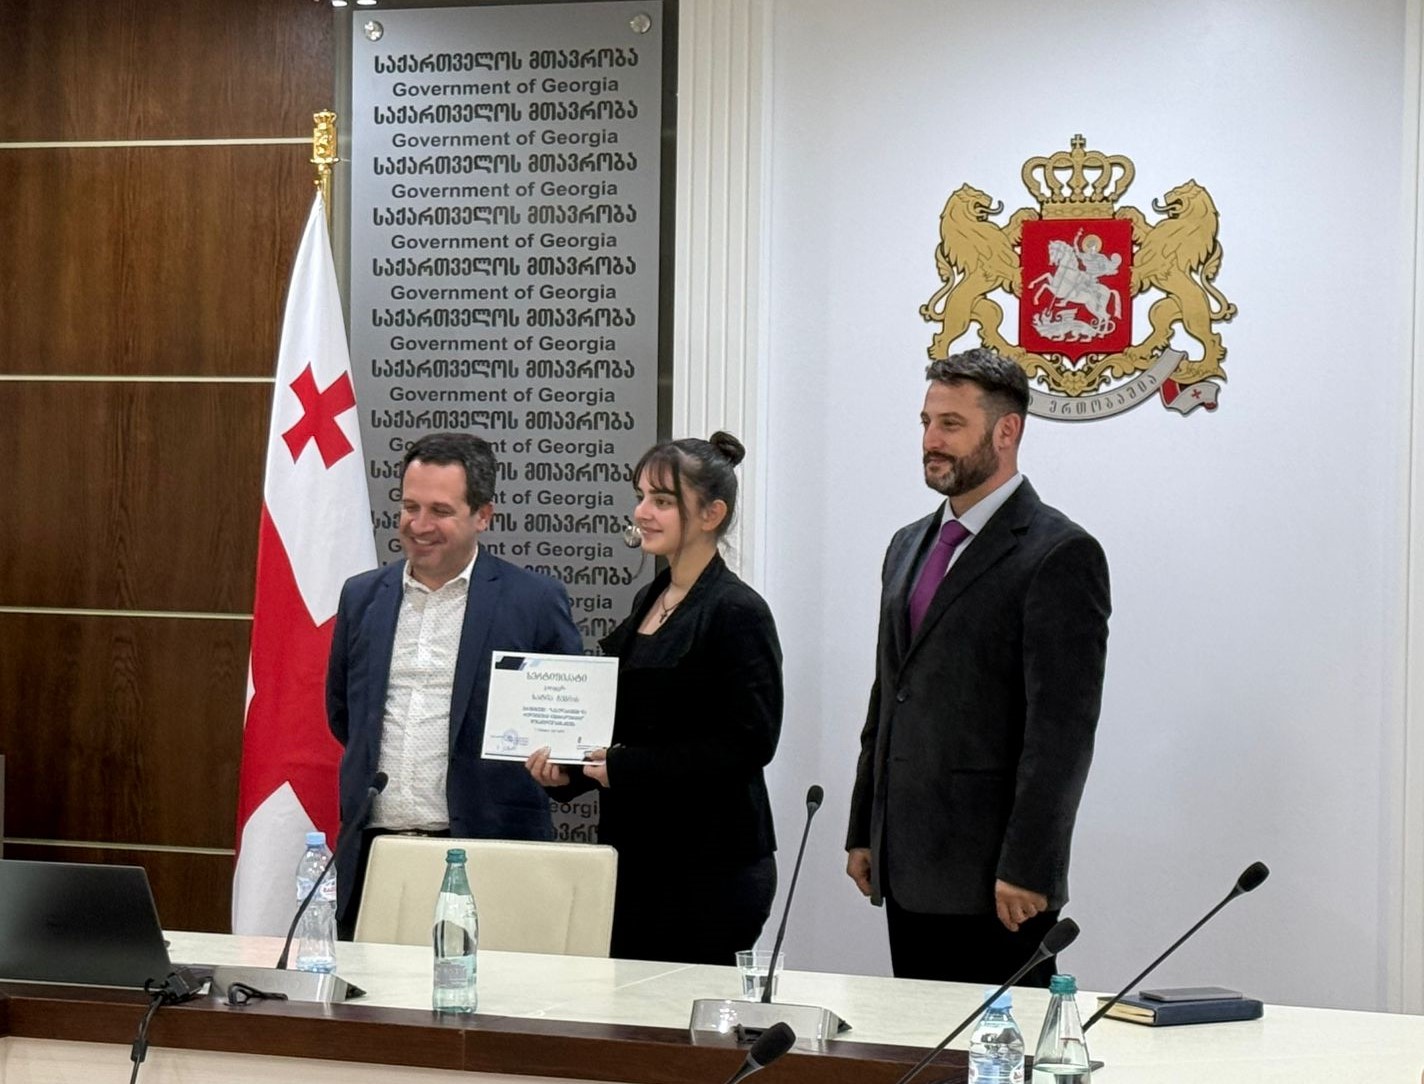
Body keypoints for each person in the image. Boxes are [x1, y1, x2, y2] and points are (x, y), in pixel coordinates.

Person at [845, 349, 1110, 986]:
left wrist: (1030, 865)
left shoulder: (1060, 553)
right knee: (919, 1042)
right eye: (926, 422)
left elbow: (1061, 734)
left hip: (996, 879)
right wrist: (865, 828)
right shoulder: (907, 544)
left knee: (998, 1046)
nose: (930, 441)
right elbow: (890, 696)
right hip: (906, 864)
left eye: (951, 425)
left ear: (1006, 430)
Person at [525, 432, 782, 965]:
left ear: (711, 514)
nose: (642, 512)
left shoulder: (738, 611)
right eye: (641, 496)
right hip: (636, 857)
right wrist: (567, 773)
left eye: (662, 500)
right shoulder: (651, 597)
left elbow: (749, 743)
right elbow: (628, 724)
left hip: (710, 867)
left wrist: (625, 768)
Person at [327, 432, 582, 937]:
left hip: (490, 853)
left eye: (440, 511)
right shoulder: (362, 596)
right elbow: (344, 714)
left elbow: (567, 723)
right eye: (410, 507)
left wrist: (561, 763)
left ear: (482, 516)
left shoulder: (533, 600)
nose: (419, 525)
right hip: (377, 852)